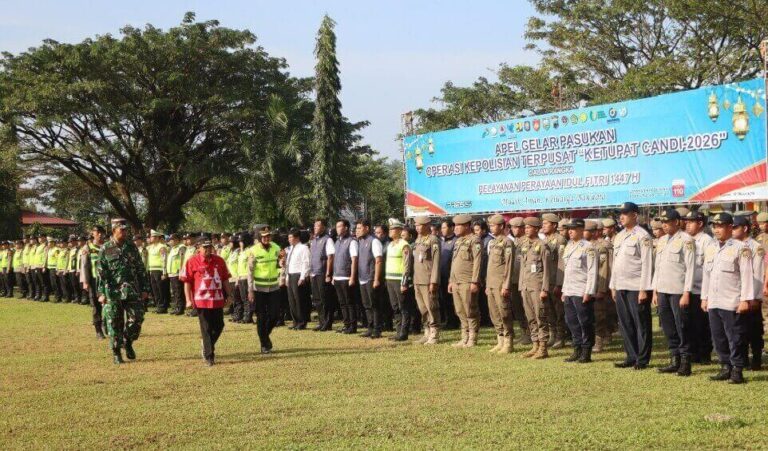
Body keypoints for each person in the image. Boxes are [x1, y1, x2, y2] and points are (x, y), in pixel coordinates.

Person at [702, 212, 754, 384]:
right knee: (718, 336)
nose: (716, 230)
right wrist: (704, 297)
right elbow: (707, 275)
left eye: (720, 226)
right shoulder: (711, 247)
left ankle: (737, 369)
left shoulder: (741, 248)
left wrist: (745, 299)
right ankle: (725, 366)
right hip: (714, 300)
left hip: (731, 300)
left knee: (735, 337)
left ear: (730, 227)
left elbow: (747, 275)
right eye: (714, 226)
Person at [97, 218, 151, 364]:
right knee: (114, 322)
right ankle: (116, 353)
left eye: (126, 230)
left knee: (137, 318)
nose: (125, 232)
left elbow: (140, 268)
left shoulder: (131, 247)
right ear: (114, 230)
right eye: (122, 230)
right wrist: (101, 293)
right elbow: (101, 272)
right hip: (112, 291)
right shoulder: (105, 248)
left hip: (132, 289)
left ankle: (127, 341)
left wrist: (145, 288)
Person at [610, 202, 654, 370]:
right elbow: (615, 263)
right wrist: (613, 285)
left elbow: (647, 264)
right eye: (619, 214)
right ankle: (631, 355)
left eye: (624, 213)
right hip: (621, 285)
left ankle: (642, 359)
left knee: (641, 323)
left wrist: (644, 289)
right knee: (625, 323)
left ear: (634, 215)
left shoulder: (643, 236)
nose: (621, 217)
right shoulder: (620, 236)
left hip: (636, 286)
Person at [652, 209, 695, 376]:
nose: (664, 225)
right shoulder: (662, 240)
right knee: (668, 326)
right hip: (663, 289)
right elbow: (658, 267)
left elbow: (690, 268)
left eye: (667, 221)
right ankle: (674, 359)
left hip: (678, 290)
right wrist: (655, 290)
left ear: (676, 222)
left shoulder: (686, 240)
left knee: (682, 326)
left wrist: (687, 292)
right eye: (662, 222)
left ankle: (685, 362)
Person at [181, 235, 231, 366]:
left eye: (210, 246)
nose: (208, 249)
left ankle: (206, 344)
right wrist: (188, 300)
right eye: (205, 247)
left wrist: (229, 295)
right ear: (198, 248)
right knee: (206, 327)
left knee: (219, 325)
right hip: (201, 300)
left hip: (217, 299)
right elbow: (187, 282)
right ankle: (209, 356)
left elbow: (225, 279)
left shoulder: (219, 260)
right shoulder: (192, 261)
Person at [561, 219, 598, 363]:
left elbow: (592, 271)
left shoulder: (588, 247)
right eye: (569, 229)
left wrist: (589, 291)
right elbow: (567, 271)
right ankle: (576, 348)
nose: (570, 231)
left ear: (581, 230)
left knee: (585, 322)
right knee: (571, 321)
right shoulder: (569, 246)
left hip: (582, 290)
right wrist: (564, 290)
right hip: (569, 290)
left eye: (573, 229)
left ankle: (586, 351)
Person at [519, 217, 554, 358]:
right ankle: (535, 345)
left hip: (538, 286)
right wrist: (521, 286)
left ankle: (543, 347)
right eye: (525, 227)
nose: (526, 230)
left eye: (529, 227)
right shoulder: (525, 245)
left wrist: (545, 289)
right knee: (530, 317)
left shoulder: (543, 245)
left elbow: (547, 269)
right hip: (526, 286)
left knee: (540, 316)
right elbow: (523, 268)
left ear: (536, 229)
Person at [733, 216, 765, 371]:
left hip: (751, 295)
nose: (732, 230)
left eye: (735, 227)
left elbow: (758, 274)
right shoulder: (731, 245)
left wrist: (755, 298)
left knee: (754, 331)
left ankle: (756, 359)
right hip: (736, 295)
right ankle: (743, 359)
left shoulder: (756, 247)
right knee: (740, 330)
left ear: (745, 228)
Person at [448, 214, 482, 348]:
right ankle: (464, 337)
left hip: (467, 281)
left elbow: (477, 262)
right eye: (455, 225)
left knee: (470, 309)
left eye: (458, 225)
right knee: (460, 310)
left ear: (467, 226)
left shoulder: (475, 240)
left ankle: (472, 337)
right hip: (456, 281)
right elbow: (454, 262)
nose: (455, 228)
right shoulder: (458, 241)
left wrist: (475, 281)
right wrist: (451, 280)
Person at [247, 226, 282, 354]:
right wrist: (250, 290)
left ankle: (264, 336)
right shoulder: (253, 251)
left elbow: (281, 262)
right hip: (259, 288)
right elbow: (250, 272)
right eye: (264, 236)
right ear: (260, 237)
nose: (267, 238)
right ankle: (264, 344)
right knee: (261, 317)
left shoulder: (276, 248)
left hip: (274, 287)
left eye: (268, 236)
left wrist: (282, 265)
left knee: (275, 315)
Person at [485, 215, 515, 353]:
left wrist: (506, 285)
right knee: (494, 313)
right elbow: (490, 266)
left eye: (493, 225)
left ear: (501, 226)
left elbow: (509, 266)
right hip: (491, 283)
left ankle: (508, 341)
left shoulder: (507, 242)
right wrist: (487, 284)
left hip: (500, 284)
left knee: (504, 312)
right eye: (490, 225)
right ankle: (500, 339)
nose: (491, 228)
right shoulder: (493, 242)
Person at [412, 216, 441, 345]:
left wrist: (434, 281)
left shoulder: (433, 240)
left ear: (427, 225)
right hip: (418, 279)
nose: (417, 228)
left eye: (420, 225)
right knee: (422, 308)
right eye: (416, 225)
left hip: (428, 279)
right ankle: (427, 331)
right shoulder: (418, 239)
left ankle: (434, 333)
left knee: (431, 307)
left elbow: (436, 261)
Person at [542, 213, 568, 349]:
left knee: (559, 311)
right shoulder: (544, 240)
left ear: (554, 225)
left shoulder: (560, 240)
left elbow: (561, 263)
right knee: (549, 310)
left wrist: (559, 283)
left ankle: (560, 337)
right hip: (546, 281)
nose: (543, 226)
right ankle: (552, 335)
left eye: (546, 223)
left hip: (556, 280)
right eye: (543, 223)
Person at [355, 219, 385, 338]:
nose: (357, 230)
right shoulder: (361, 241)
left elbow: (378, 261)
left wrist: (376, 279)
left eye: (359, 228)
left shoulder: (374, 241)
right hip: (362, 278)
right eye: (356, 228)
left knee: (374, 305)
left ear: (367, 228)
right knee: (366, 305)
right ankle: (370, 327)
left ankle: (377, 329)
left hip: (371, 278)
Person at [385, 219, 412, 341]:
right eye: (390, 229)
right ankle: (398, 331)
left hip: (399, 280)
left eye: (393, 229)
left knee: (403, 307)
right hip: (390, 279)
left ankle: (404, 333)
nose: (390, 231)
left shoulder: (404, 245)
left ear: (399, 230)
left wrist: (404, 282)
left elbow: (407, 265)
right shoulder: (390, 244)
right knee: (395, 306)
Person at [331, 219, 358, 334]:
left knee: (349, 302)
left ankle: (352, 326)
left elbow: (354, 260)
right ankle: (346, 324)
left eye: (339, 226)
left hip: (347, 277)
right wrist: (333, 275)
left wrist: (352, 277)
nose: (337, 229)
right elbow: (335, 260)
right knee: (342, 303)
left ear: (346, 228)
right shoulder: (337, 242)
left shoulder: (352, 242)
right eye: (336, 226)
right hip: (337, 276)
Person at [81, 226, 106, 339]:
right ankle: (98, 330)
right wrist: (85, 281)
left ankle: (107, 325)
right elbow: (85, 265)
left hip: (107, 281)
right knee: (96, 306)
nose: (100, 234)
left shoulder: (108, 246)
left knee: (108, 304)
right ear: (93, 233)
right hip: (94, 280)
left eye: (102, 232)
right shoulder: (88, 247)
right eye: (97, 232)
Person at [310, 219, 336, 331]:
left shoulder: (327, 240)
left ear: (323, 227)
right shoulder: (314, 240)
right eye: (314, 225)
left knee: (325, 298)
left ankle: (327, 322)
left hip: (323, 273)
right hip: (314, 273)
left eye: (317, 226)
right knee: (317, 299)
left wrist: (328, 273)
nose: (315, 227)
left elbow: (331, 257)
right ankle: (321, 322)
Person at [508, 217, 531, 345]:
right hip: (514, 280)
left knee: (526, 308)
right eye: (512, 227)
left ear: (523, 228)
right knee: (517, 309)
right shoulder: (515, 242)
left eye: (517, 227)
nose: (514, 230)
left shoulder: (527, 242)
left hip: (524, 281)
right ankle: (523, 332)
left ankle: (530, 334)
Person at [285, 228, 311, 330]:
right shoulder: (291, 248)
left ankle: (302, 322)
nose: (289, 239)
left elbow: (306, 263)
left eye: (291, 237)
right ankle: (295, 321)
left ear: (297, 238)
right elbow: (289, 264)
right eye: (288, 237)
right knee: (292, 300)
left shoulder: (303, 248)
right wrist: (287, 276)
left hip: (298, 275)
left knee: (299, 300)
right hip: (291, 274)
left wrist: (302, 277)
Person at [439, 220, 459, 330]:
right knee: (444, 300)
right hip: (442, 275)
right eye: (441, 228)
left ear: (451, 228)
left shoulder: (456, 241)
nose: (442, 230)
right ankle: (448, 320)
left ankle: (454, 321)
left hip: (452, 276)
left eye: (444, 227)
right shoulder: (441, 241)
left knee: (452, 300)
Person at [146, 230, 170, 314]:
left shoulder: (161, 247)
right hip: (152, 270)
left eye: (152, 237)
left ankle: (163, 307)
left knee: (161, 289)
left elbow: (164, 259)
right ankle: (158, 306)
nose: (150, 238)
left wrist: (164, 272)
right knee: (155, 289)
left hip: (159, 270)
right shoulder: (150, 247)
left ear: (156, 238)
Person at [166, 234, 186, 315]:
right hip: (172, 273)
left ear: (177, 240)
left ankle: (180, 308)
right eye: (170, 240)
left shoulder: (181, 247)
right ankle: (176, 307)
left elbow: (182, 259)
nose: (170, 241)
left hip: (177, 272)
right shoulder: (172, 248)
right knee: (174, 291)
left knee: (179, 291)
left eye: (172, 240)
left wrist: (181, 270)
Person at [225, 234, 243, 323]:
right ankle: (235, 314)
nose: (229, 244)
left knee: (237, 298)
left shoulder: (238, 252)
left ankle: (238, 315)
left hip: (236, 278)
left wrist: (237, 278)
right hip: (231, 278)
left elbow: (240, 266)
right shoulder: (231, 252)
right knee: (234, 298)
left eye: (231, 242)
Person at [237, 232, 254, 324]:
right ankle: (245, 315)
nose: (240, 243)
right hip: (240, 277)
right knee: (243, 298)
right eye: (239, 241)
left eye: (241, 241)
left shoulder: (249, 251)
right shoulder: (241, 252)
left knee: (248, 298)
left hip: (246, 277)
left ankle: (248, 316)